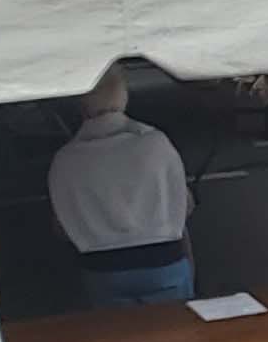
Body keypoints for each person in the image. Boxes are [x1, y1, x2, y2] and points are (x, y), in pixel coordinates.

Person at [48, 68, 194, 307]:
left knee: (117, 340)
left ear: (81, 106)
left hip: (102, 270)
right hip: (163, 261)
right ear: (124, 97)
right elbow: (186, 206)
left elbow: (62, 230)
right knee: (176, 338)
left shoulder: (65, 159)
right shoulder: (156, 144)